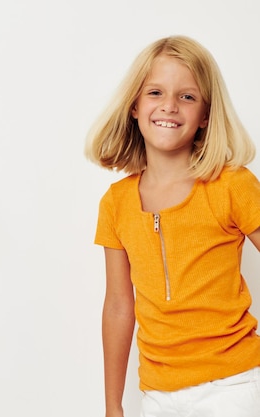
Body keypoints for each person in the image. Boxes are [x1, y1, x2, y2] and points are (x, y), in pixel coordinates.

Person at [85, 35, 260, 417]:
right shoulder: (116, 203)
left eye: (187, 96)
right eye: (155, 92)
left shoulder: (233, 185)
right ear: (134, 106)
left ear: (206, 116)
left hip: (234, 386)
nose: (169, 106)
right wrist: (112, 405)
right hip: (159, 396)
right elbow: (118, 305)